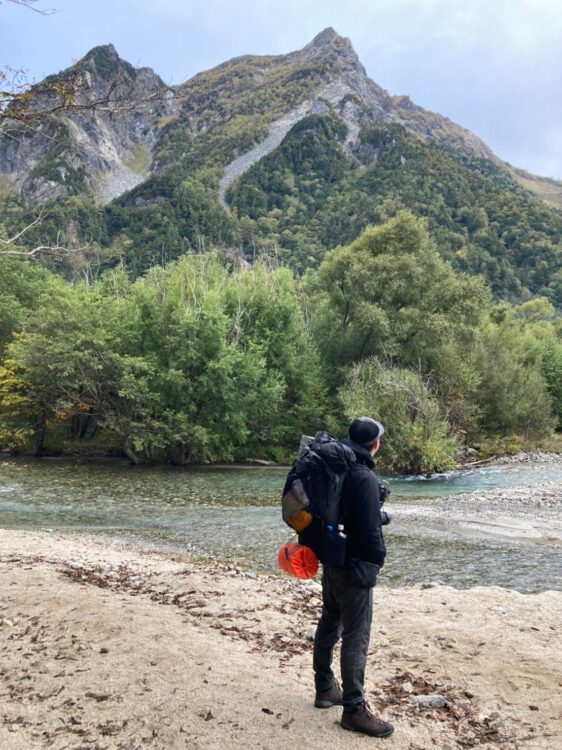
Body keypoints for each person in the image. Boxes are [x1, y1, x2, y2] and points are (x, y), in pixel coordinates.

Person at [312, 416, 394, 738]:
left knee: (329, 621)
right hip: (356, 568)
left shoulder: (337, 467)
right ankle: (354, 710)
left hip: (331, 560)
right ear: (374, 445)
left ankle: (324, 688)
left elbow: (349, 515)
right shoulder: (364, 477)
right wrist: (378, 560)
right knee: (356, 637)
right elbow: (370, 536)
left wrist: (378, 514)